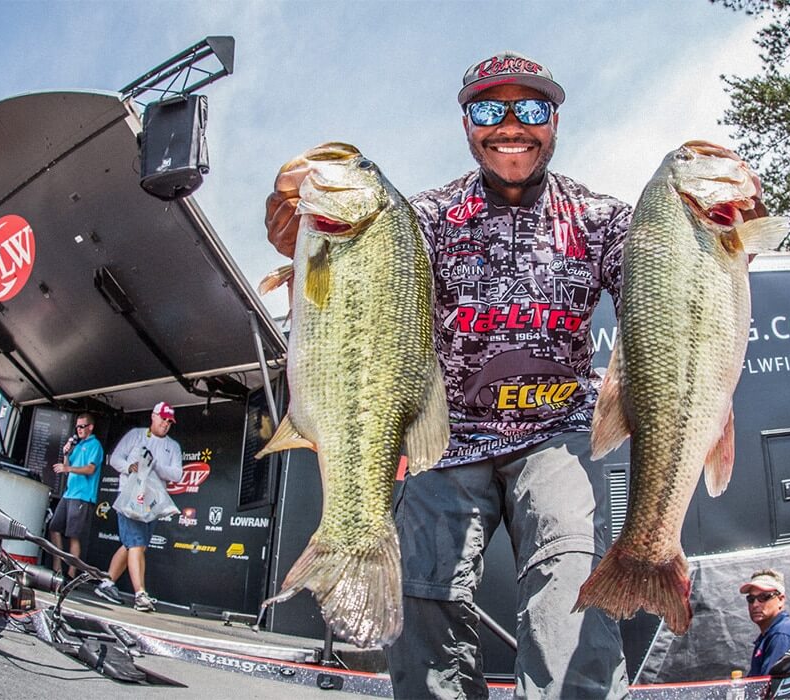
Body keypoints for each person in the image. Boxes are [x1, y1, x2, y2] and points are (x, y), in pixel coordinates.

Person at [267, 50, 631, 698]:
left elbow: (658, 277)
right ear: (467, 124)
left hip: (555, 435)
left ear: (555, 119)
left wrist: (702, 244)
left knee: (572, 574)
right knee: (422, 589)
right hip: (450, 433)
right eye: (491, 108)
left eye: (532, 107)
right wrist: (298, 239)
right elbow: (358, 288)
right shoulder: (424, 216)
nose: (512, 124)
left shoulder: (600, 217)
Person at [94, 401, 182, 612]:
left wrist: (155, 465)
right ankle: (140, 594)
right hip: (131, 498)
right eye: (163, 419)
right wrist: (129, 467)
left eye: (170, 421)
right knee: (135, 544)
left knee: (134, 545)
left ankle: (106, 583)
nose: (166, 424)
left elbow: (177, 475)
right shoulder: (136, 435)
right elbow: (115, 459)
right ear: (153, 416)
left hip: (153, 502)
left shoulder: (173, 446)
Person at [47, 412, 103, 578]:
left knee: (73, 535)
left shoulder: (95, 445)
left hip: (82, 496)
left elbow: (90, 469)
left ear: (90, 427)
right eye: (77, 427)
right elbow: (66, 468)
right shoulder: (77, 446)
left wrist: (68, 468)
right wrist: (66, 454)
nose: (78, 429)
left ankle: (71, 574)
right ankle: (58, 569)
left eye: (82, 426)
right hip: (69, 494)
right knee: (54, 527)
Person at [741, 569, 790, 677]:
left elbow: (768, 687)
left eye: (763, 597)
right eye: (751, 599)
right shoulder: (770, 634)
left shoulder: (782, 633)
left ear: (781, 600)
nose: (755, 604)